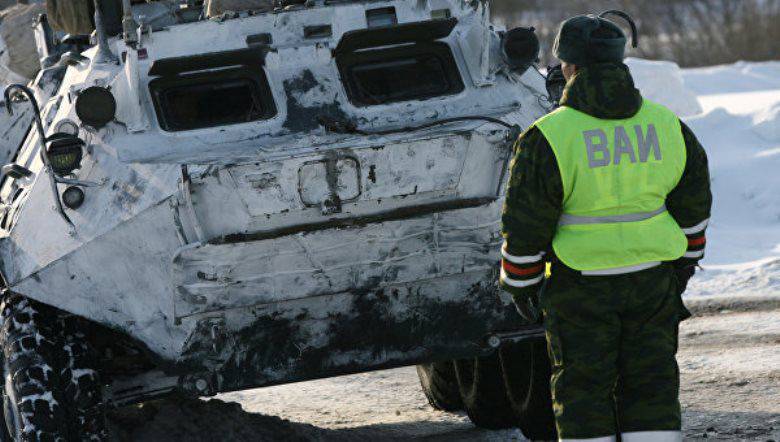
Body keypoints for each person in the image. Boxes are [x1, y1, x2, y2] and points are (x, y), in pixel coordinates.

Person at [499, 13, 712, 442]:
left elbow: (525, 226)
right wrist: (684, 264)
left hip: (579, 288)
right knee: (651, 386)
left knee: (582, 391)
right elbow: (694, 207)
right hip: (653, 282)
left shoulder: (547, 137)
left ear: (570, 67)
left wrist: (521, 285)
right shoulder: (667, 125)